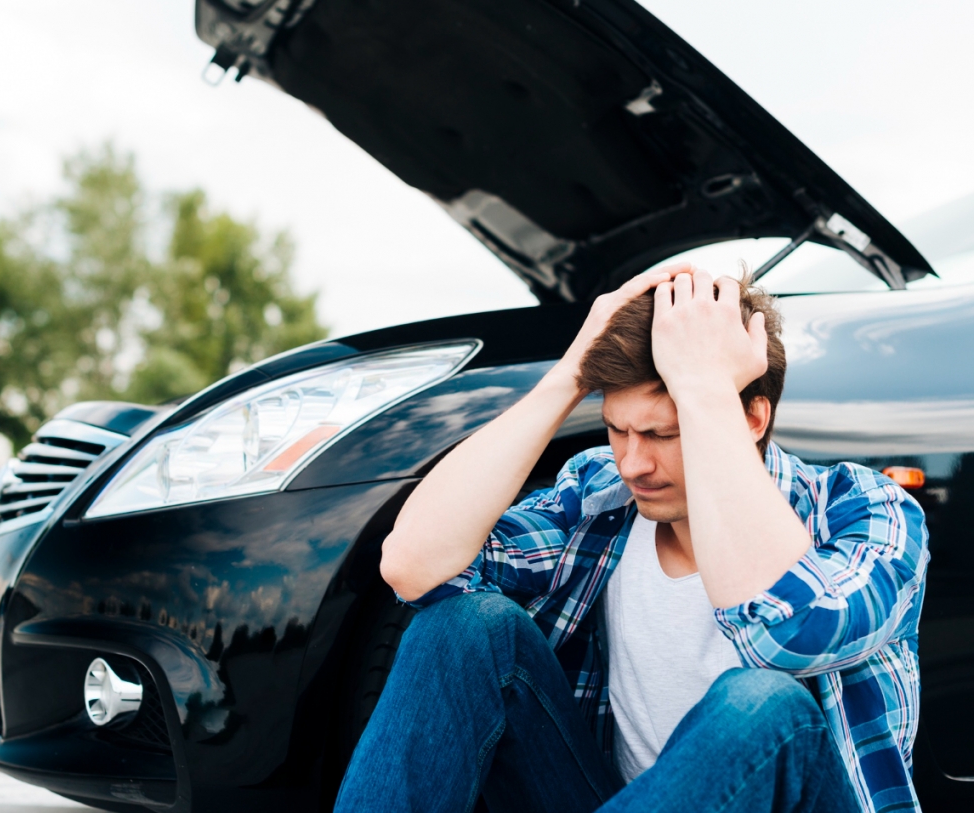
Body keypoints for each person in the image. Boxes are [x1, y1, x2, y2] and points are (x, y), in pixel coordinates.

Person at [335, 266, 929, 813]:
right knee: (465, 627)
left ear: (751, 417)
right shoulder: (602, 501)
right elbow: (415, 566)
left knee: (763, 702)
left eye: (664, 433)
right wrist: (570, 373)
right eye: (618, 430)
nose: (633, 464)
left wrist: (703, 391)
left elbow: (782, 634)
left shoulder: (865, 509)